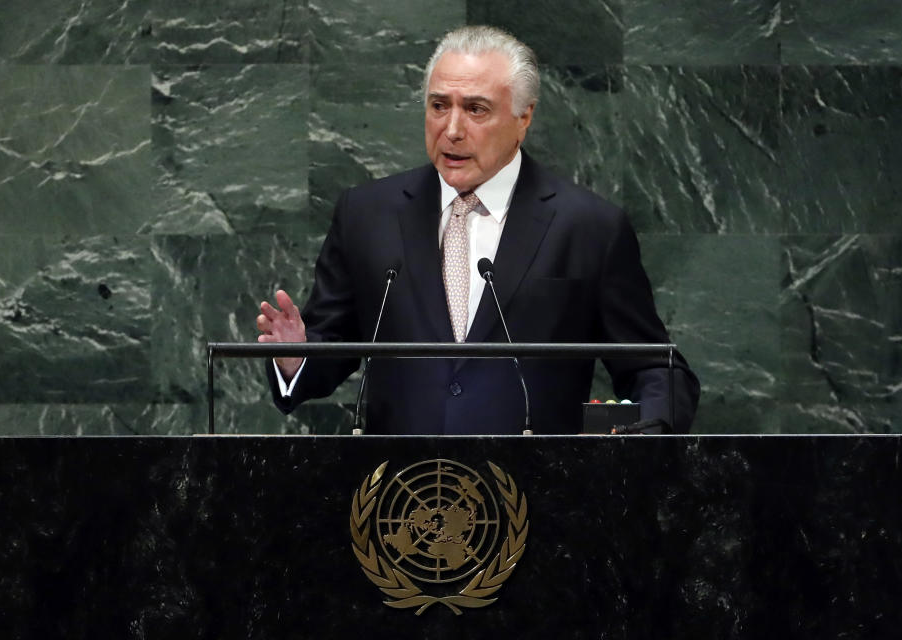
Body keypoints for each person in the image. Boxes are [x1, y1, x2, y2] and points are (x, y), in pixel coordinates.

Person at [256, 25, 699, 435]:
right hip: (402, 498)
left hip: (538, 497)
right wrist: (297, 359)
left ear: (523, 118)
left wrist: (648, 433)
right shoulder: (367, 214)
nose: (451, 130)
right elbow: (330, 347)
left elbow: (655, 368)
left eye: (475, 109)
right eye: (438, 106)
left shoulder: (588, 227)